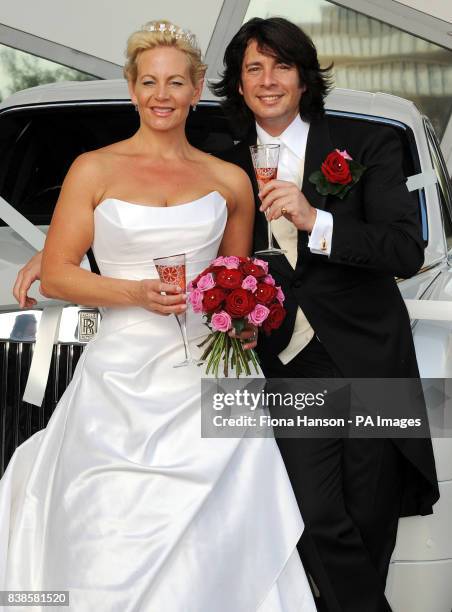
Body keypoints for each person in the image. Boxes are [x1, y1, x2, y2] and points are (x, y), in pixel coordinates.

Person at [1, 20, 317, 611]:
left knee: (223, 531)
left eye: (176, 82)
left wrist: (245, 318)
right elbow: (61, 272)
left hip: (209, 372)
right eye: (149, 82)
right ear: (131, 87)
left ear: (197, 89)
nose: (161, 95)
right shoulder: (92, 170)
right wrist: (135, 293)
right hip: (120, 375)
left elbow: (235, 280)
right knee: (109, 520)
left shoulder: (229, 182)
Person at [210, 16, 440, 612]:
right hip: (284, 361)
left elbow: (404, 251)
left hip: (369, 354)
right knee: (311, 513)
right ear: (237, 83)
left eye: (281, 65)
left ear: (304, 77)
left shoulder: (364, 145)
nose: (267, 80)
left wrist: (318, 220)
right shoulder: (218, 162)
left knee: (370, 512)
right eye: (253, 68)